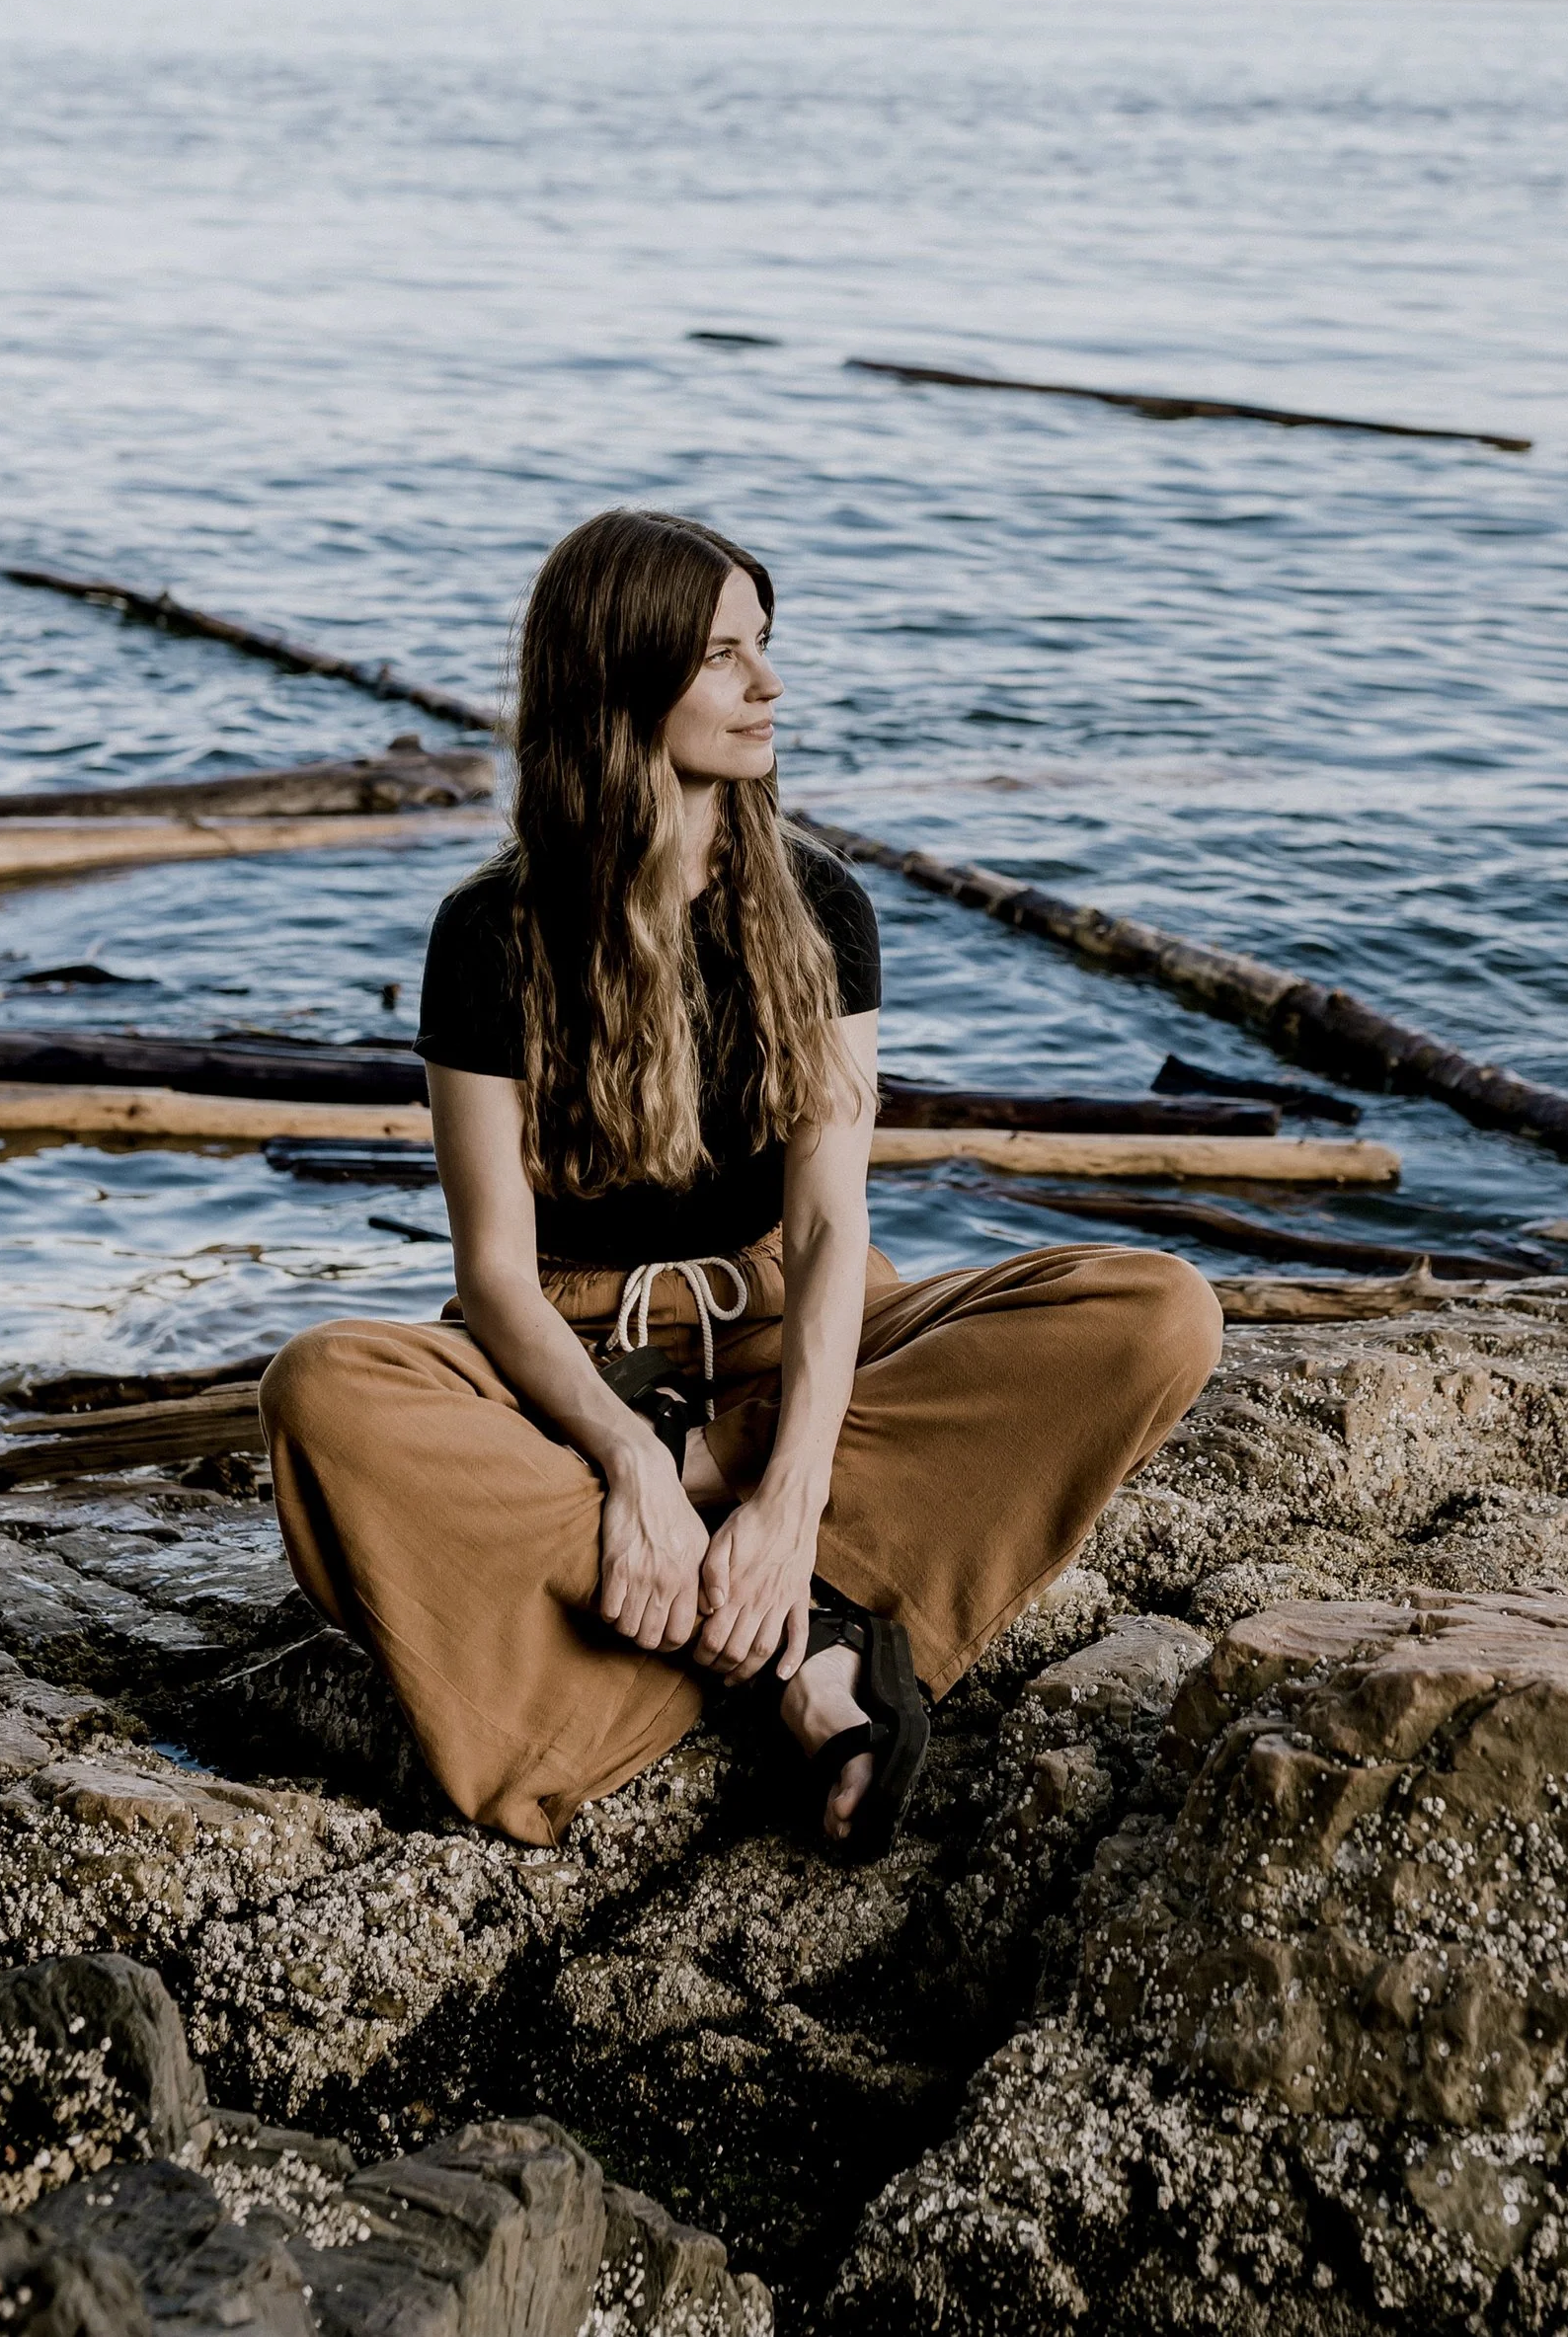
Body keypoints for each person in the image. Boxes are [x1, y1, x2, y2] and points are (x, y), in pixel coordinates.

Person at [260, 508, 1223, 1855]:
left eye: (763, 648)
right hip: (561, 1357)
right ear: (622, 679)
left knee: (1158, 1310)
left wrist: (775, 1487)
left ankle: (694, 1607)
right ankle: (803, 1649)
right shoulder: (487, 935)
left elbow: (832, 1227)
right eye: (725, 657)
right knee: (321, 1393)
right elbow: (491, 1270)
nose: (769, 687)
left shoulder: (821, 912)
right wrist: (625, 1458)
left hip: (780, 1324)